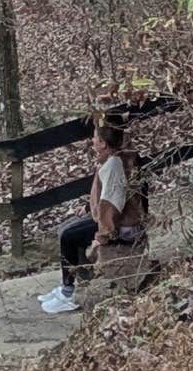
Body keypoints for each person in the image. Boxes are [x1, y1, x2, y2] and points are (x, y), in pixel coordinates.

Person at [41, 116, 145, 314]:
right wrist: (89, 208)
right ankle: (68, 283)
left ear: (104, 144)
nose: (92, 141)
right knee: (65, 228)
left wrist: (103, 237)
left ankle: (68, 292)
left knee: (68, 236)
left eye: (95, 138)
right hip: (113, 218)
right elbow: (107, 196)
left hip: (122, 226)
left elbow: (112, 205)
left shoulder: (113, 165)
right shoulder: (111, 159)